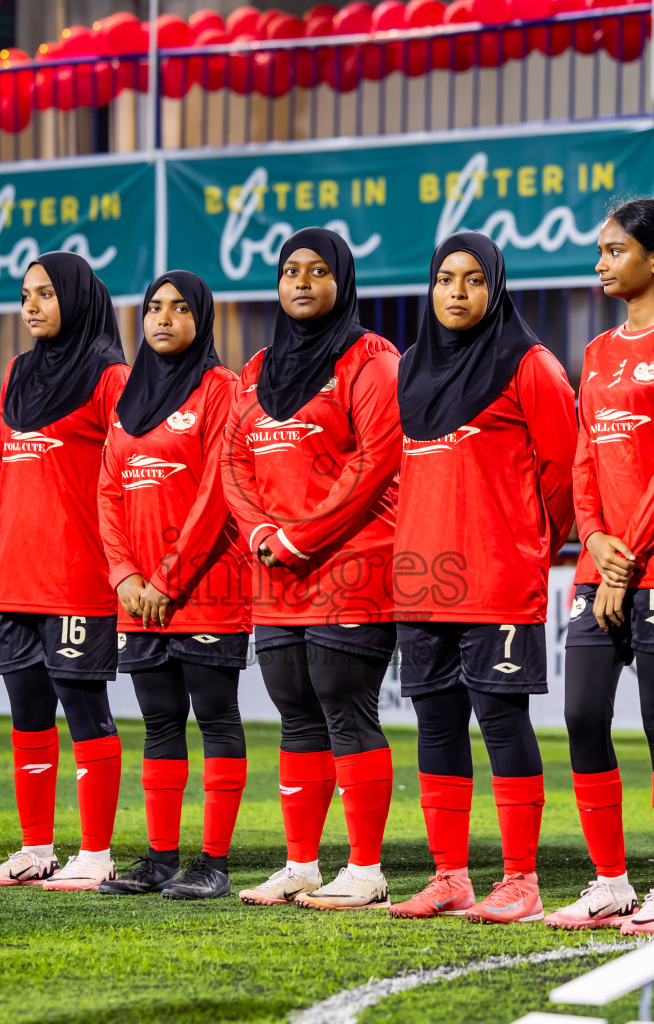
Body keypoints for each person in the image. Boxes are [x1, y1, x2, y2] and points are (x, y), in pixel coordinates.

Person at [387, 233, 576, 924]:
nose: (456, 292)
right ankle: (450, 878)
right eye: (444, 279)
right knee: (435, 724)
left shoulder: (531, 365)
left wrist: (530, 544)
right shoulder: (408, 370)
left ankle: (521, 881)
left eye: (471, 280)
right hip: (422, 575)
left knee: (501, 720)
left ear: (495, 287)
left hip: (499, 573)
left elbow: (563, 472)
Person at [546, 199, 654, 936]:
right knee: (582, 716)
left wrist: (628, 559)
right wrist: (592, 540)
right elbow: (585, 461)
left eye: (615, 250)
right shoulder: (596, 353)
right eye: (600, 251)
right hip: (602, 563)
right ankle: (612, 883)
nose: (600, 264)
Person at [224, 228, 402, 911]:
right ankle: (301, 864)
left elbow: (376, 463)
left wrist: (303, 536)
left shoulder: (371, 359)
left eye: (317, 271)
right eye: (290, 271)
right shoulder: (258, 369)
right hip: (275, 569)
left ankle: (365, 869)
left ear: (343, 282)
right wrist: (262, 530)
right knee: (294, 711)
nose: (301, 282)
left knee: (344, 705)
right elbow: (233, 461)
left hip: (351, 562)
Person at [0, 254, 129, 891]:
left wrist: (126, 564)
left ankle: (96, 854)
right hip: (15, 577)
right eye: (26, 295)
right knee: (26, 711)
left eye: (45, 294)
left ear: (77, 299)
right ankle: (35, 850)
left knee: (85, 707)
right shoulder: (16, 372)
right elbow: (1, 473)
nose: (31, 306)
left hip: (78, 575)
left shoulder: (110, 376)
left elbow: (124, 478)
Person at [95, 271, 251, 901]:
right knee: (159, 722)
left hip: (206, 587)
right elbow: (108, 490)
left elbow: (219, 491)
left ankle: (212, 863)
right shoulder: (130, 395)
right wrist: (126, 575)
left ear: (202, 319)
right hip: (139, 597)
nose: (162, 319)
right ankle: (160, 858)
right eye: (154, 307)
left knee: (216, 718)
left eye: (179, 309)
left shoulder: (221, 388)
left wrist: (165, 577)